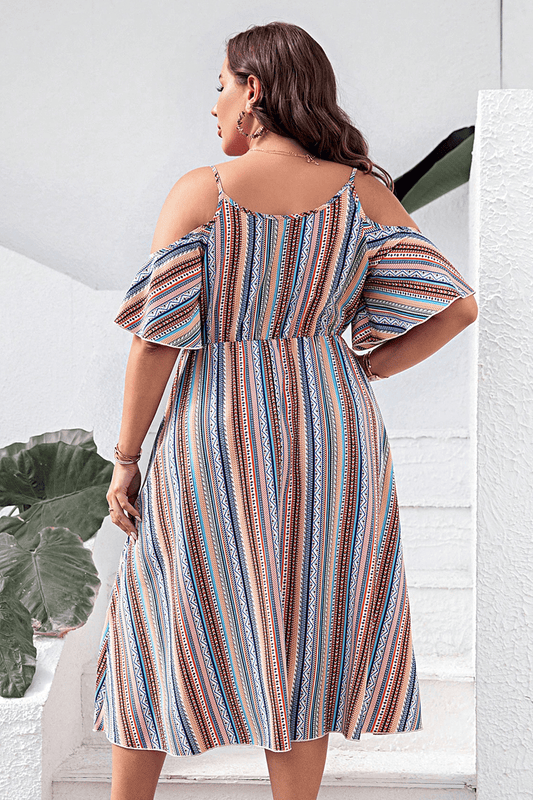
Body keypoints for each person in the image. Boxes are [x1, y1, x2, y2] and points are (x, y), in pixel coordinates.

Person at [94, 20, 478, 800]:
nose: (213, 105)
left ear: (254, 88)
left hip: (213, 425)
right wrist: (362, 366)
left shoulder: (202, 192)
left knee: (162, 613)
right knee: (308, 621)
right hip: (333, 426)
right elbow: (456, 309)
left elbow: (156, 342)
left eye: (220, 87)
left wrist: (127, 457)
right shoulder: (362, 193)